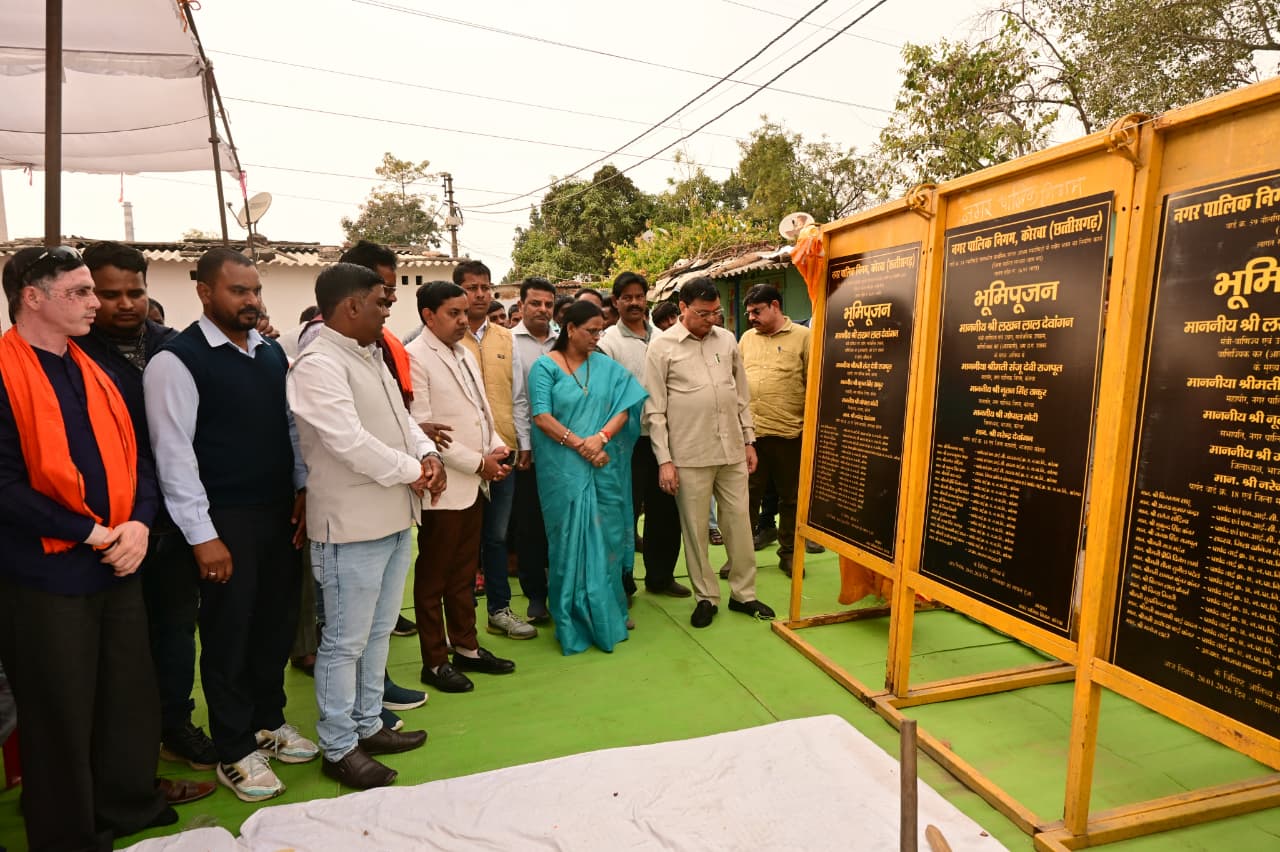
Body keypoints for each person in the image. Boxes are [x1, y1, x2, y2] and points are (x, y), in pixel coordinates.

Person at [0, 246, 174, 849]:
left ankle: (128, 802)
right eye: (80, 292)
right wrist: (93, 532)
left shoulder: (95, 367)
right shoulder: (2, 370)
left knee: (128, 691)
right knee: (59, 710)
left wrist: (140, 524)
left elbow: (140, 458)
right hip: (46, 571)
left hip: (120, 557)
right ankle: (68, 829)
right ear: (32, 296)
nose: (96, 303)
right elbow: (3, 485)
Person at [144, 247, 318, 803]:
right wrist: (203, 536)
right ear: (204, 292)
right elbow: (173, 455)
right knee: (228, 634)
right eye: (238, 291)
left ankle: (268, 722)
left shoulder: (268, 353)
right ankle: (234, 748)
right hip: (223, 521)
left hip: (277, 513)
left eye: (255, 291)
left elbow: (289, 430)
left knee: (273, 624)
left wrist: (302, 489)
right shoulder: (177, 360)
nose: (251, 301)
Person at [288, 263, 440, 789]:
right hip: (350, 524)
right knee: (344, 642)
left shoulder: (369, 353)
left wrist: (424, 453)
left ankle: (368, 723)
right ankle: (338, 745)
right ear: (351, 306)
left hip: (394, 514)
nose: (388, 309)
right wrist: (413, 470)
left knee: (377, 632)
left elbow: (401, 422)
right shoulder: (317, 364)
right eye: (382, 301)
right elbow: (346, 441)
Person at [75, 242, 220, 774]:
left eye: (135, 292)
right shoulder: (74, 353)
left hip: (172, 519)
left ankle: (174, 724)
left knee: (177, 630)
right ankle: (117, 751)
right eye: (109, 294)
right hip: (107, 526)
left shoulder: (174, 346)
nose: (125, 304)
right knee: (116, 646)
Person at [642, 277, 775, 628]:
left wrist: (748, 440)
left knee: (739, 525)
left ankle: (743, 594)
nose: (711, 319)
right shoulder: (662, 348)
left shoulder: (727, 339)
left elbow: (740, 395)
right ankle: (706, 597)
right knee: (697, 531)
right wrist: (664, 461)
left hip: (731, 449)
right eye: (703, 313)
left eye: (716, 312)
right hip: (688, 455)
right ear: (682, 308)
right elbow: (654, 410)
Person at [405, 281, 517, 693]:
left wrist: (498, 449)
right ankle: (434, 661)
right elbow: (425, 431)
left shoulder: (464, 353)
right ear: (427, 315)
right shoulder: (416, 357)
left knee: (464, 573)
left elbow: (481, 410)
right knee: (434, 577)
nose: (463, 320)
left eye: (465, 312)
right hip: (445, 486)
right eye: (453, 313)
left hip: (475, 482)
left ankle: (466, 647)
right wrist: (478, 463)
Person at [530, 300, 647, 654]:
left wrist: (601, 439)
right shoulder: (544, 367)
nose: (598, 336)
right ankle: (572, 616)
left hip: (604, 464)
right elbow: (541, 416)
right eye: (591, 330)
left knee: (608, 540)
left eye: (601, 330)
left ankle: (608, 609)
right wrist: (580, 444)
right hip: (563, 470)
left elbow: (626, 407)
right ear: (570, 330)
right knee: (569, 543)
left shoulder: (606, 367)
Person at [453, 261, 537, 640]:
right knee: (461, 540)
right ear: (458, 291)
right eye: (472, 288)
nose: (481, 294)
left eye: (486, 287)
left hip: (503, 452)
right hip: (461, 458)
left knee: (498, 537)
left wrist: (522, 443)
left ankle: (499, 610)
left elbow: (518, 397)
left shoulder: (506, 339)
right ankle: (460, 616)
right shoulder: (443, 338)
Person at [597, 271, 690, 601]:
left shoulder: (665, 337)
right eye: (628, 297)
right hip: (628, 442)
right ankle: (622, 581)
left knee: (667, 510)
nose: (635, 302)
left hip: (666, 439)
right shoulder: (608, 342)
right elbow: (603, 393)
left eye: (640, 296)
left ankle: (661, 577)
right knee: (625, 511)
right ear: (616, 302)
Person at [739, 284, 812, 577]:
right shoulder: (746, 339)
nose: (752, 318)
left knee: (791, 498)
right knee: (745, 498)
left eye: (757, 311)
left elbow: (813, 382)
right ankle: (740, 558)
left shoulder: (803, 337)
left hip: (789, 433)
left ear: (775, 306)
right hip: (751, 435)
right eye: (749, 313)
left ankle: (791, 554)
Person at [509, 277, 558, 623]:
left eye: (548, 304)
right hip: (529, 450)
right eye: (536, 304)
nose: (543, 310)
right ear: (521, 305)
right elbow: (517, 400)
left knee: (563, 523)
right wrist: (524, 445)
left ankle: (563, 591)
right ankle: (535, 596)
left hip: (566, 448)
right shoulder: (508, 343)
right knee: (529, 525)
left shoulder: (565, 340)